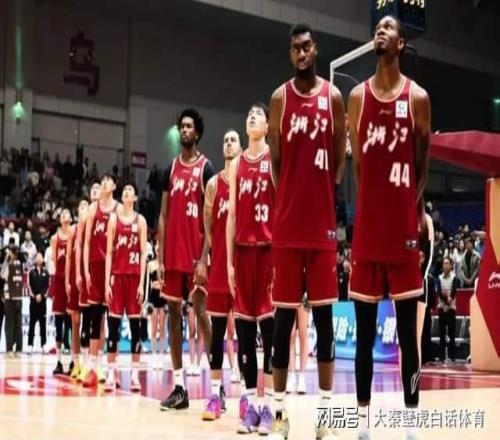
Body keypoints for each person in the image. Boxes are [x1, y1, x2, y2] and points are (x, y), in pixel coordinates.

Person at [347, 15, 431, 440]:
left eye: (388, 27)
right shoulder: (357, 97)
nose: (380, 31)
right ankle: (363, 422)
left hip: (403, 233)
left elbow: (422, 162)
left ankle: (411, 421)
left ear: (401, 43)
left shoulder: (417, 97)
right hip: (368, 231)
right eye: (377, 27)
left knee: (408, 340)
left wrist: (410, 210)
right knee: (364, 336)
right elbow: (359, 166)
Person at [268, 23, 346, 440]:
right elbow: (276, 163)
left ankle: (326, 418)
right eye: (295, 48)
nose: (301, 53)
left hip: (321, 228)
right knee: (283, 323)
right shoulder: (280, 99)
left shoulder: (333, 98)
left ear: (316, 49)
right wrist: (291, 198)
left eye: (306, 46)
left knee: (325, 322)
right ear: (290, 53)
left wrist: (322, 193)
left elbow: (339, 161)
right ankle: (279, 417)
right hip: (287, 228)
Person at [158, 108, 215, 410]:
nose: (184, 129)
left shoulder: (206, 169)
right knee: (173, 314)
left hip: (196, 255)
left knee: (202, 313)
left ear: (198, 133)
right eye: (181, 125)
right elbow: (163, 215)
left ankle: (216, 386)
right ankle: (180, 388)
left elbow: (211, 218)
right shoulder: (170, 169)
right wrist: (160, 257)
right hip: (173, 255)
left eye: (189, 126)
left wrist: (205, 257)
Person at [226, 103, 275, 434]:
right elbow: (231, 216)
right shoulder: (237, 165)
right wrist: (229, 262)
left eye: (258, 115)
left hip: (268, 251)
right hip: (243, 253)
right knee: (245, 333)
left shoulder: (274, 158)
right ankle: (250, 407)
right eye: (249, 115)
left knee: (269, 333)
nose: (252, 117)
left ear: (268, 126)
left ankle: (267, 406)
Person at [197, 128, 243, 421]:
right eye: (225, 140)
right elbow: (208, 222)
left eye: (233, 140)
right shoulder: (213, 184)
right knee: (216, 331)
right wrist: (217, 252)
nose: (228, 143)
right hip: (219, 268)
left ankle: (247, 398)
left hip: (244, 266)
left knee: (245, 332)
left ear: (241, 147)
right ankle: (215, 396)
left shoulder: (247, 179)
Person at [104, 182, 148, 392]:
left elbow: (144, 255)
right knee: (113, 328)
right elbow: (109, 253)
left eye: (130, 190)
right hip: (117, 278)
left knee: (135, 329)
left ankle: (134, 375)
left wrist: (141, 283)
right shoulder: (113, 219)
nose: (126, 192)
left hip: (133, 279)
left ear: (135, 198)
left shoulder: (141, 221)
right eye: (124, 191)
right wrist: (107, 281)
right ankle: (111, 373)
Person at [83, 174, 119, 387]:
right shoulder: (92, 209)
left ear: (114, 186)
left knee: (111, 319)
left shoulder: (118, 209)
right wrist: (86, 270)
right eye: (102, 180)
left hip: (113, 268)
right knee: (95, 317)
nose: (104, 182)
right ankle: (92, 367)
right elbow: (87, 242)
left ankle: (110, 368)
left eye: (108, 180)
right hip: (95, 267)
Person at [76, 181, 101, 382]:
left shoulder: (109, 213)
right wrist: (79, 272)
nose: (95, 190)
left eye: (98, 188)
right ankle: (85, 363)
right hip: (88, 270)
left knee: (102, 321)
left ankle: (97, 364)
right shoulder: (85, 215)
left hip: (102, 271)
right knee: (86, 317)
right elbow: (79, 246)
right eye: (92, 188)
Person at [65, 198, 89, 379]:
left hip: (87, 279)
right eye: (81, 205)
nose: (83, 208)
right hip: (75, 279)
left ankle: (88, 363)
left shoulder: (92, 228)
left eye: (86, 205)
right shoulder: (73, 230)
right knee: (75, 321)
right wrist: (67, 281)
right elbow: (68, 258)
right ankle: (75, 362)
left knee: (89, 321)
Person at [50, 209, 73, 374]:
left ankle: (73, 360)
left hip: (70, 282)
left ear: (71, 218)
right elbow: (54, 261)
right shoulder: (54, 238)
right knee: (59, 322)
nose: (65, 215)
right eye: (62, 214)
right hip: (59, 282)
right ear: (60, 220)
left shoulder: (74, 234)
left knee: (71, 322)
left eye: (67, 213)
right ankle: (58, 361)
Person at [147, 241, 167, 370]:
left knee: (163, 329)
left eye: (161, 245)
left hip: (163, 298)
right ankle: (154, 357)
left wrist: (162, 284)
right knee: (154, 329)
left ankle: (161, 357)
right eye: (157, 245)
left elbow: (167, 282)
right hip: (154, 298)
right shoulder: (150, 265)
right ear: (154, 248)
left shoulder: (165, 265)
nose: (158, 248)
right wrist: (153, 285)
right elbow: (148, 283)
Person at [1, 245, 24, 357]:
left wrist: (6, 259)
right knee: (18, 325)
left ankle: (9, 350)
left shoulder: (9, 265)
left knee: (9, 325)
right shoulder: (21, 265)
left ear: (12, 254)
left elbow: (2, 274)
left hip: (10, 297)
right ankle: (19, 349)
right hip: (18, 297)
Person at [437, 257, 460, 363]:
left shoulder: (454, 277)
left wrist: (450, 299)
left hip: (451, 309)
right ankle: (441, 356)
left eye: (447, 263)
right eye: (444, 263)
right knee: (442, 334)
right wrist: (447, 300)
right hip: (442, 309)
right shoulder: (439, 278)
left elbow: (454, 290)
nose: (445, 265)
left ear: (451, 266)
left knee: (452, 334)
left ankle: (452, 356)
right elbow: (439, 292)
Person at [27, 252, 50, 354]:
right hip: (33, 302)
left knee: (43, 324)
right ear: (35, 259)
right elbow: (29, 285)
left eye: (41, 256)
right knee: (32, 323)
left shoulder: (46, 272)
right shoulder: (31, 272)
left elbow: (47, 286)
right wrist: (35, 295)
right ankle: (30, 345)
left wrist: (42, 295)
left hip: (43, 302)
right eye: (38, 256)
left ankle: (43, 345)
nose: (39, 258)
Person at [287, 299, 310, 395]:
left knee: (303, 333)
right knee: (290, 334)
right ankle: (291, 375)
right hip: (289, 293)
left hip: (304, 294)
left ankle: (302, 377)